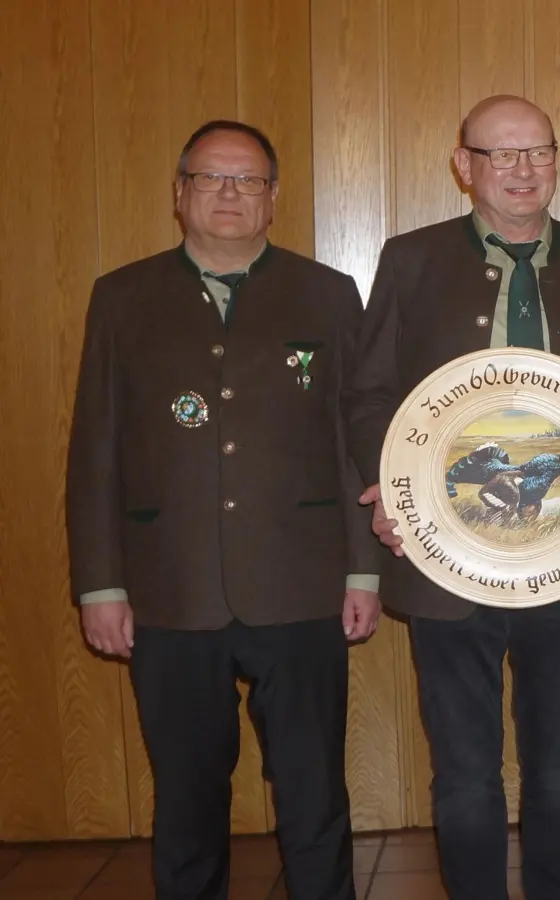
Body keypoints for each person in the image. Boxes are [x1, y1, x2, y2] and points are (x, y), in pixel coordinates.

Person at [345, 95, 560, 900]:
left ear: (557, 158)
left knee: (559, 772)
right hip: (448, 561)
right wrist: (392, 491)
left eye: (537, 152)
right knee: (466, 773)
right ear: (464, 166)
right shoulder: (411, 260)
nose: (522, 170)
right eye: (500, 155)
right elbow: (373, 394)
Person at [67, 119, 378, 900]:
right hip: (169, 590)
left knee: (313, 795)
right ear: (180, 194)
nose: (230, 193)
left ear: (274, 198)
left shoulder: (327, 293)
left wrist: (361, 570)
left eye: (248, 180)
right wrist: (100, 585)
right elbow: (96, 449)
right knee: (187, 800)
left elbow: (352, 442)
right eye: (211, 178)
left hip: (300, 585)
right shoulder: (122, 296)